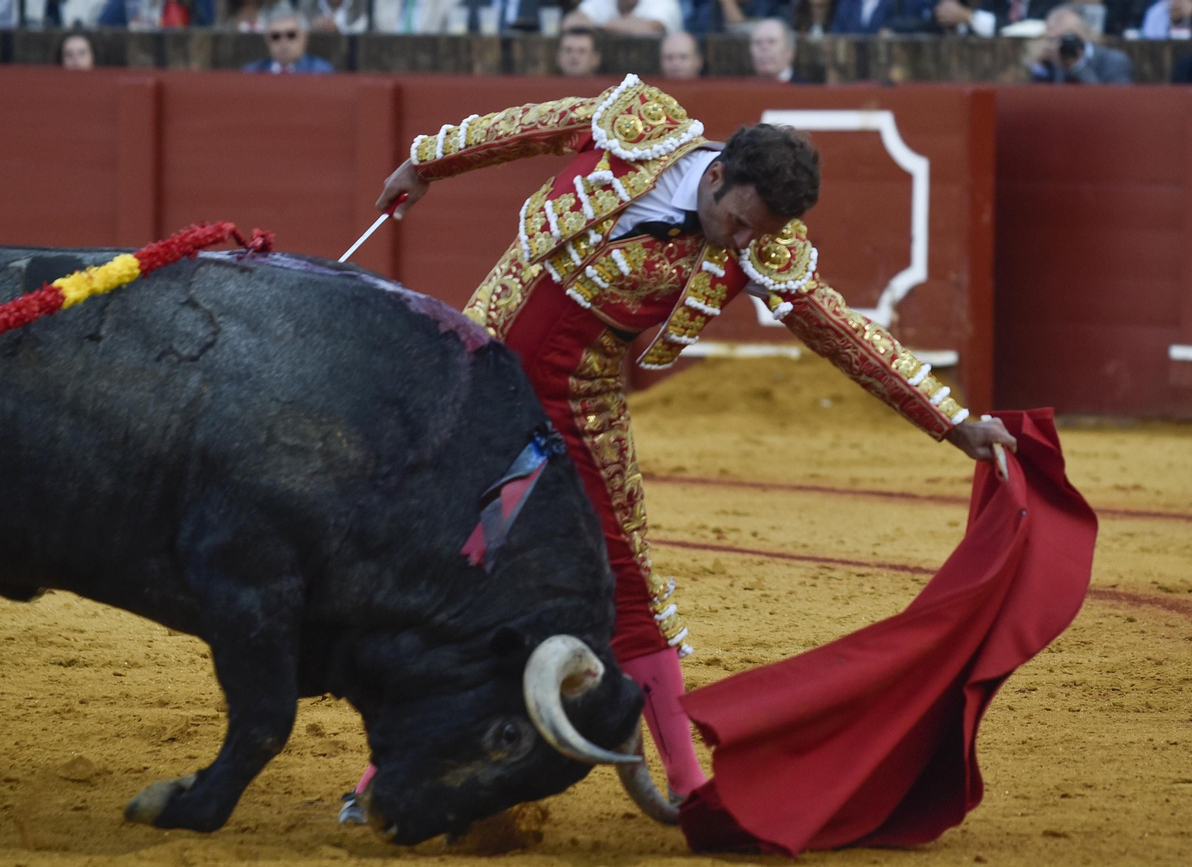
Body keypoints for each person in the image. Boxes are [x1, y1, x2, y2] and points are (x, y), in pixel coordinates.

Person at [337, 76, 1016, 820]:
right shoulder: (635, 128)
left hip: (574, 412)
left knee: (627, 580)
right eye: (740, 222)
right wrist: (425, 164)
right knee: (455, 558)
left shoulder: (758, 248)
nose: (746, 241)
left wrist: (951, 420)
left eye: (761, 233)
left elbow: (839, 329)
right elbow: (522, 128)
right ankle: (385, 773)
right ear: (716, 174)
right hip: (477, 383)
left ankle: (690, 786)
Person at [1027, 3, 1132, 82]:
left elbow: (1114, 101)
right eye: (1053, 39)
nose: (1061, 44)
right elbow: (1035, 102)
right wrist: (1039, 67)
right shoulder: (1051, 61)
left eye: (1068, 38)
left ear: (1086, 33)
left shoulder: (1114, 61)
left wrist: (1076, 65)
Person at [244, 4, 334, 72]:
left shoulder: (321, 72)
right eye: (275, 36)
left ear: (304, 39)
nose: (283, 42)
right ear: (267, 41)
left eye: (291, 35)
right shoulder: (253, 72)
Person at [576, 0, 683, 33]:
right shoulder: (601, 2)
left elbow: (652, 28)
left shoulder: (663, 2)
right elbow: (572, 21)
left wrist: (600, 25)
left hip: (656, 75)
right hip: (607, 73)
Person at [749, 17, 803, 82]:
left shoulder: (807, 89)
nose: (764, 48)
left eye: (772, 42)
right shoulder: (742, 88)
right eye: (758, 43)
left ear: (789, 51)